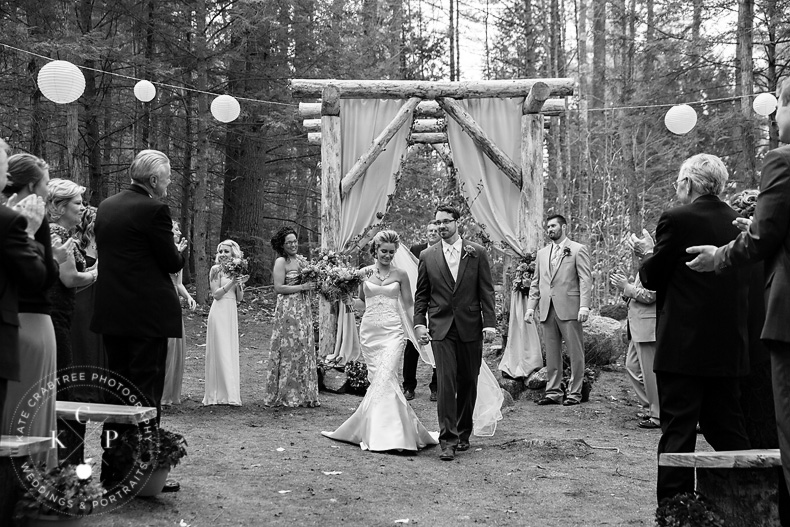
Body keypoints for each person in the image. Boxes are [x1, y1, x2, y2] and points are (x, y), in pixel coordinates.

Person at [685, 78, 790, 511]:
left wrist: (720, 256)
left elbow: (763, 239)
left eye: (780, 104)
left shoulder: (782, 161)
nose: (775, 115)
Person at [637, 153, 751, 504]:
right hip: (729, 345)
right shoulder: (739, 222)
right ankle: (750, 499)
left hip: (683, 348)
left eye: (678, 182)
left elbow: (652, 278)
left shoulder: (676, 218)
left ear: (688, 184)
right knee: (728, 429)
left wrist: (646, 253)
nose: (677, 188)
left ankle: (676, 510)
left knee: (678, 431)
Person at [92, 149, 187, 492]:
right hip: (146, 316)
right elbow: (170, 261)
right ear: (152, 180)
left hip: (112, 312)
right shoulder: (154, 209)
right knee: (145, 394)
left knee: (116, 392)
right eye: (167, 176)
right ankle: (143, 473)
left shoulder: (107, 205)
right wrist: (177, 247)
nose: (170, 181)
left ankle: (111, 470)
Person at [323, 230, 439, 451]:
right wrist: (346, 300)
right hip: (370, 333)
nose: (387, 255)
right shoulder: (363, 273)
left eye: (391, 252)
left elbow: (409, 305)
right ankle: (389, 431)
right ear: (375, 250)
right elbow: (361, 304)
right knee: (380, 381)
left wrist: (418, 327)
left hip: (394, 332)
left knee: (387, 377)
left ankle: (392, 435)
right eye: (383, 251)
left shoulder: (401, 274)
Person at [414, 205, 496, 461]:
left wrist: (489, 323)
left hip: (470, 325)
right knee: (446, 383)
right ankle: (447, 440)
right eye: (438, 222)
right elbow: (422, 296)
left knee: (468, 381)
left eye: (446, 222)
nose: (441, 227)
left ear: (457, 223)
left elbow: (487, 291)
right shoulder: (428, 256)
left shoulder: (477, 253)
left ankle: (463, 433)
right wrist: (419, 324)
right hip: (441, 328)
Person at [0, 144, 53, 457]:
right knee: (30, 404)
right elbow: (43, 276)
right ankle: (26, 485)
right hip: (31, 321)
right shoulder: (27, 219)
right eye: (45, 183)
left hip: (15, 320)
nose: (47, 190)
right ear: (33, 186)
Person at [526, 214, 592, 406]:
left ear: (564, 227)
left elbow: (585, 279)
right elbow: (536, 283)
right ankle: (553, 392)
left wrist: (584, 306)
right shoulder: (542, 253)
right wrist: (531, 307)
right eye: (548, 227)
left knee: (575, 352)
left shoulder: (578, 250)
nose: (550, 230)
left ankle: (574, 393)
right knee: (552, 353)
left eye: (553, 226)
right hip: (547, 309)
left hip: (570, 309)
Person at [263, 227, 319, 407]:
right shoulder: (281, 261)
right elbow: (278, 288)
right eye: (289, 242)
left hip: (303, 307)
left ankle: (305, 393)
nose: (293, 245)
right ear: (282, 245)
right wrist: (302, 287)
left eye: (295, 241)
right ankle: (287, 393)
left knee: (303, 346)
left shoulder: (301, 260)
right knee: (290, 348)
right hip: (289, 309)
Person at [610, 259, 659, 429]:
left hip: (647, 326)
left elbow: (651, 295)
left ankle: (658, 415)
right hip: (636, 325)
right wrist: (625, 288)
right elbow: (637, 293)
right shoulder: (646, 264)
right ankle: (648, 407)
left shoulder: (656, 264)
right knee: (631, 367)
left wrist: (627, 287)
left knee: (650, 374)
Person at [70, 205, 106, 403]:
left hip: (99, 297)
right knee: (83, 339)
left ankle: (99, 390)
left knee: (97, 340)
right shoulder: (76, 244)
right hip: (82, 297)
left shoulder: (103, 243)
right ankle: (82, 390)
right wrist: (95, 269)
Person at [203, 239, 246, 406]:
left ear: (233, 253)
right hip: (219, 311)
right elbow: (216, 294)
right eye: (220, 251)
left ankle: (230, 393)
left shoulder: (236, 271)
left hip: (231, 312)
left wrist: (239, 283)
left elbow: (240, 299)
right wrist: (232, 282)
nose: (222, 255)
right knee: (219, 350)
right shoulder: (215, 270)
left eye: (226, 251)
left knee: (229, 349)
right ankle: (216, 394)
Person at [403, 221, 440, 401]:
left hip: (437, 304)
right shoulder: (415, 250)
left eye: (435, 231)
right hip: (417, 302)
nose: (432, 233)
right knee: (412, 345)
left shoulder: (444, 251)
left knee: (438, 343)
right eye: (430, 230)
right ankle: (409, 386)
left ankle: (436, 387)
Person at [163, 220, 196, 407]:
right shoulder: (163, 251)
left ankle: (172, 393)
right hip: (161, 300)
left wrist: (188, 297)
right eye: (175, 229)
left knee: (176, 346)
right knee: (165, 346)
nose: (179, 231)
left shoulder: (179, 252)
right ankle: (161, 392)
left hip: (174, 299)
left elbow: (178, 283)